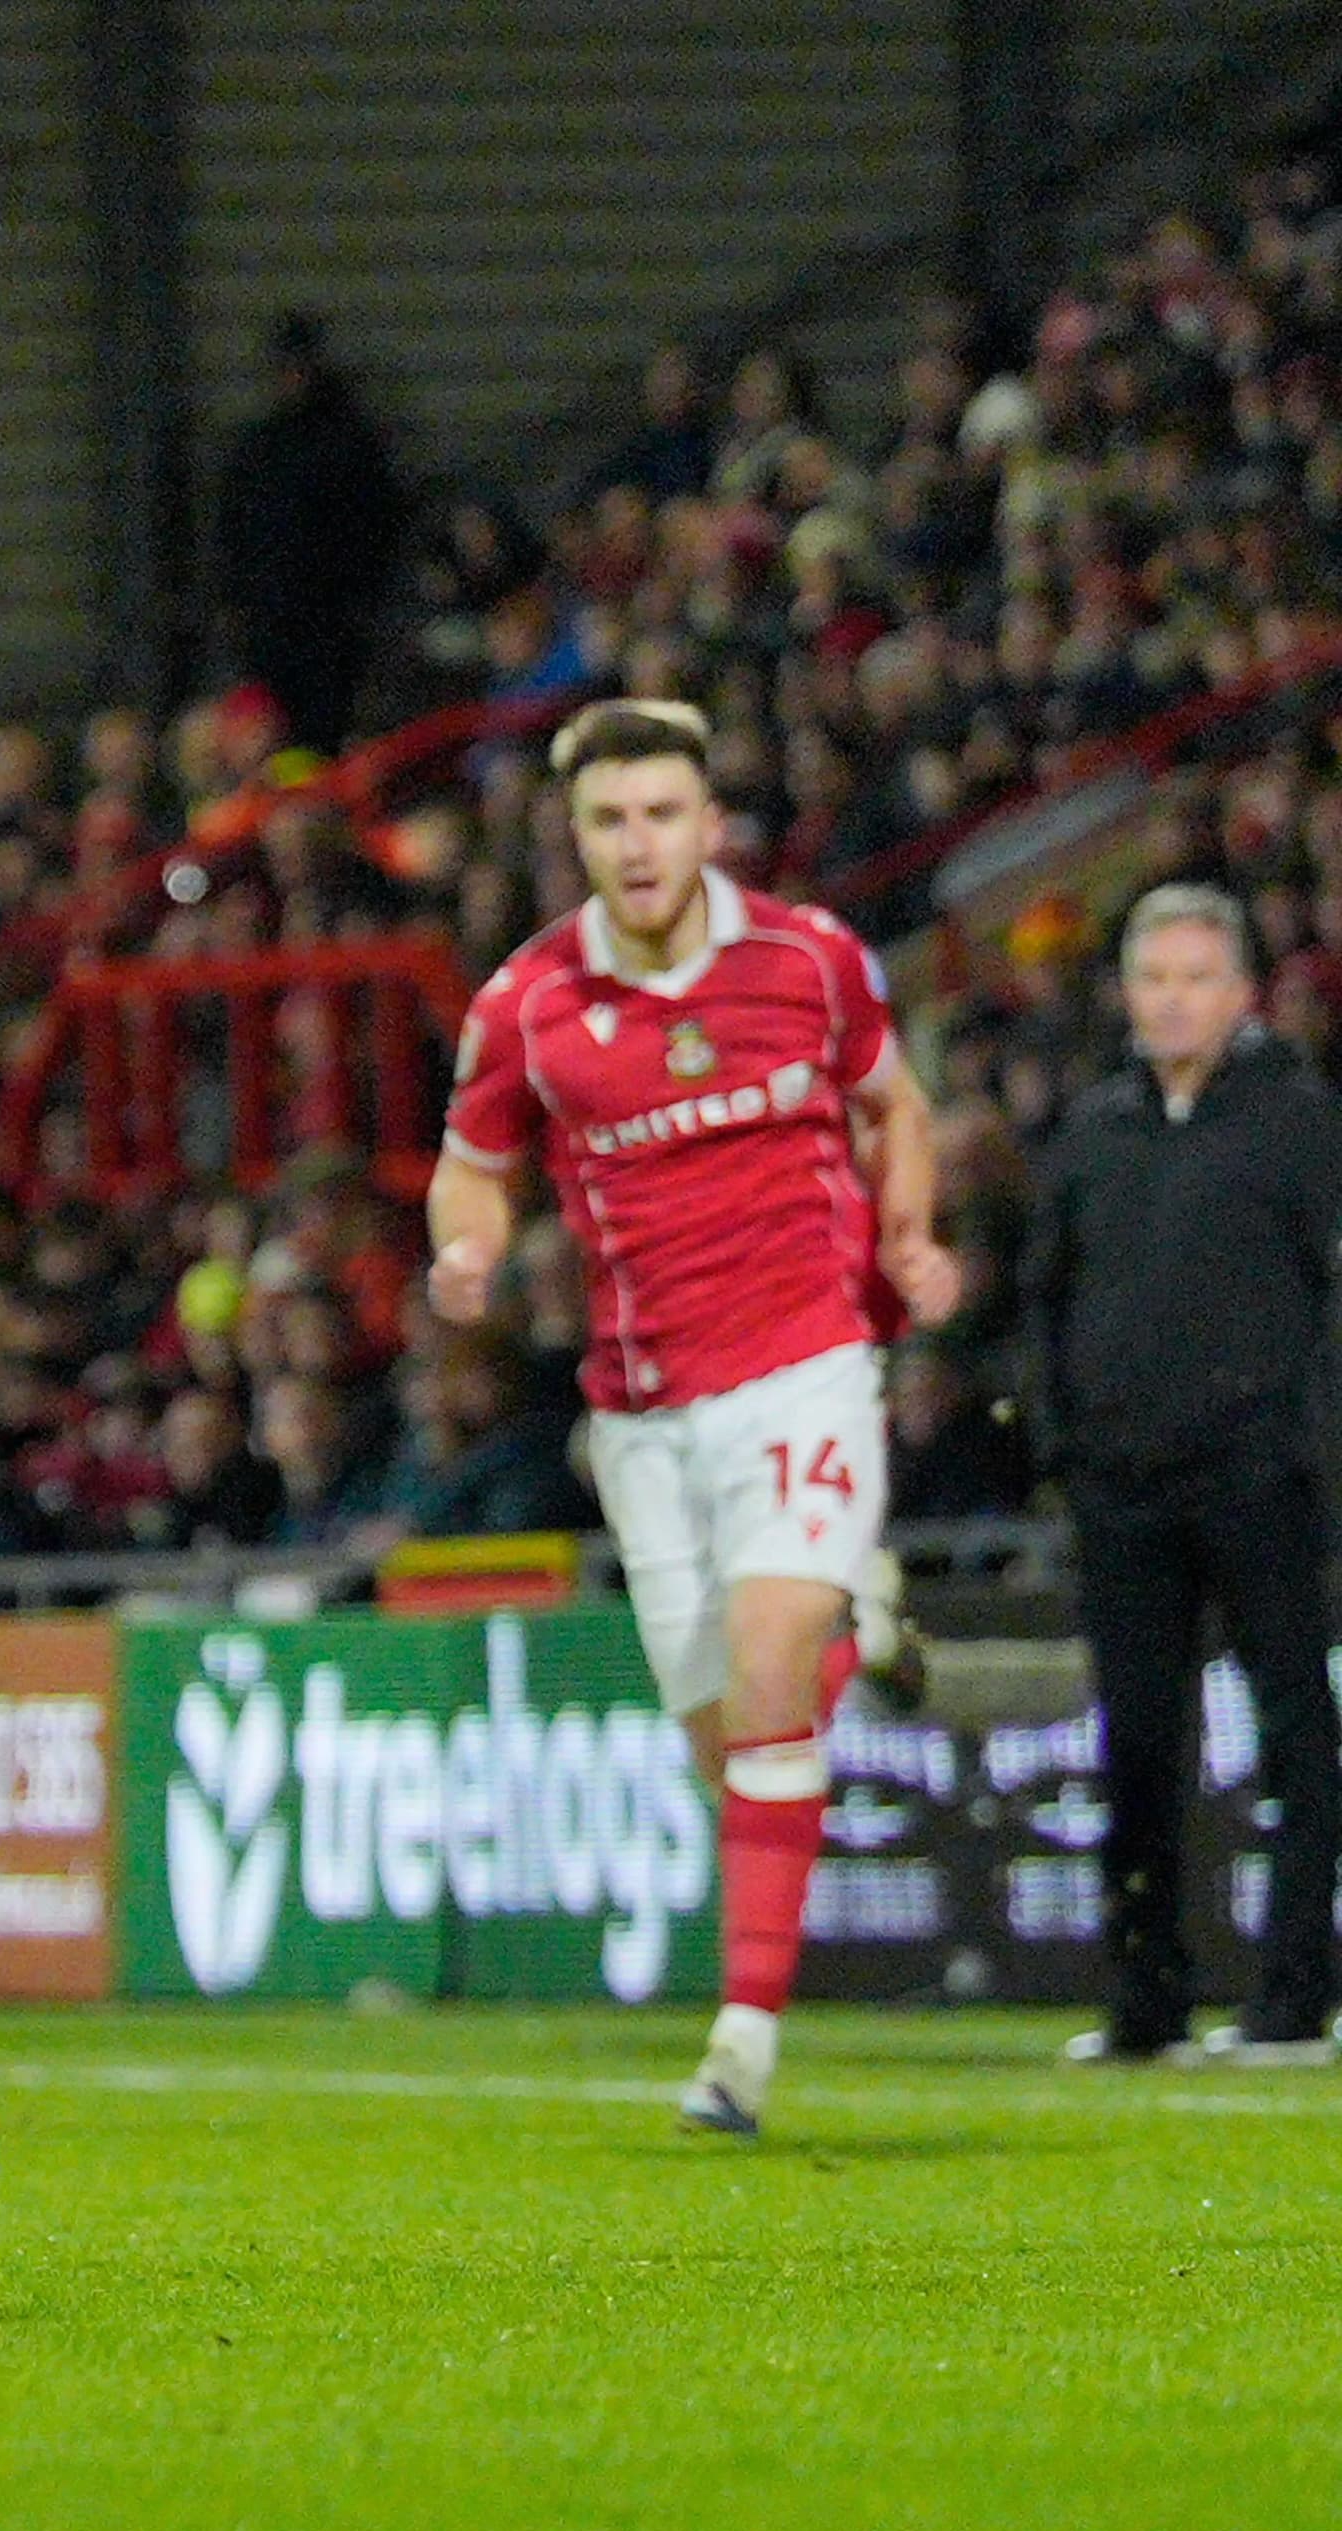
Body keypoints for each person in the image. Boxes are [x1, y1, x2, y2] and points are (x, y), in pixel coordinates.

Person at [429, 697, 960, 2137]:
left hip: (804, 1361)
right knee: (733, 1746)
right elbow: (471, 1162)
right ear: (576, 838)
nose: (639, 843)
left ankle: (740, 2046)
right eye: (610, 820)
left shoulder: (810, 958)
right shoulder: (527, 1003)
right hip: (644, 1411)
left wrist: (909, 1231)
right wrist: (468, 1245)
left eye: (663, 813)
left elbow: (896, 1106)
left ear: (712, 826)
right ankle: (860, 1621)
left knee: (770, 1650)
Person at [1024, 884, 1342, 2066]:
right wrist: (1063, 1445)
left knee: (1295, 1732)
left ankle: (1293, 1998)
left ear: (1243, 993)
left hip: (1262, 1475)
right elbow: (1047, 1297)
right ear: (1125, 991)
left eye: (1197, 977)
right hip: (1123, 1487)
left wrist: (1310, 1444)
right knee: (1138, 1743)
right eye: (1154, 977)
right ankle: (1145, 2003)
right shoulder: (1092, 1130)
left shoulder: (1300, 1122)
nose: (1172, 1000)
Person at [213, 312, 401, 751]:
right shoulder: (259, 450)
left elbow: (374, 532)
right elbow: (234, 536)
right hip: (273, 622)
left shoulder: (350, 445)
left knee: (322, 732)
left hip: (330, 625)